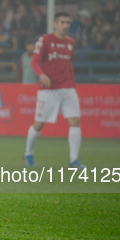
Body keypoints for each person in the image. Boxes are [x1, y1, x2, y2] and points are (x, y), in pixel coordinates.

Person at [23, 12, 85, 169]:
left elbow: (68, 65)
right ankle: (28, 153)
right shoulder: (45, 40)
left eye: (68, 22)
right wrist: (42, 75)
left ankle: (73, 160)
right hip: (48, 89)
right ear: (55, 24)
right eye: (62, 22)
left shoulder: (70, 42)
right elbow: (34, 62)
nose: (65, 25)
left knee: (75, 121)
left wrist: (73, 86)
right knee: (39, 124)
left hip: (67, 88)